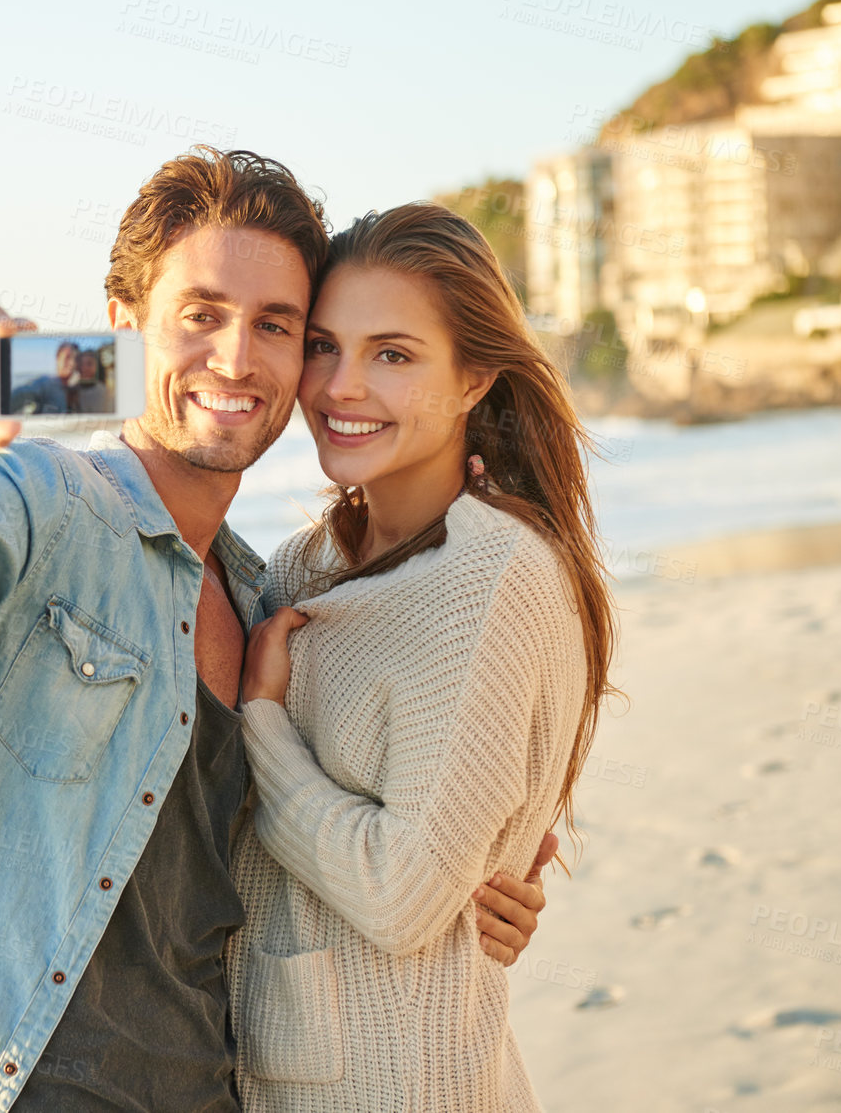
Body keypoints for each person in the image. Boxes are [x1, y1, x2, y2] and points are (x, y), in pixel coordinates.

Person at [0, 150, 554, 1113]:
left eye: (275, 327)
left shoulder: (270, 598)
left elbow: (337, 837)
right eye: (200, 315)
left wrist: (477, 876)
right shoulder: (47, 500)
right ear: (122, 329)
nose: (235, 359)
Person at [231, 203, 617, 1110]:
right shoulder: (305, 565)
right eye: (323, 346)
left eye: (392, 354)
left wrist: (262, 725)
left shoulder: (493, 578)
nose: (339, 387)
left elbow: (401, 895)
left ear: (475, 376)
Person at [9, 340, 80, 413]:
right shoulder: (46, 383)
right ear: (57, 358)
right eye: (67, 357)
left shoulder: (75, 389)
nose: (72, 363)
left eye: (76, 359)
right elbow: (20, 394)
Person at [71, 348, 114, 414]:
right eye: (81, 364)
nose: (84, 368)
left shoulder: (104, 392)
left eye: (89, 364)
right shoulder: (73, 390)